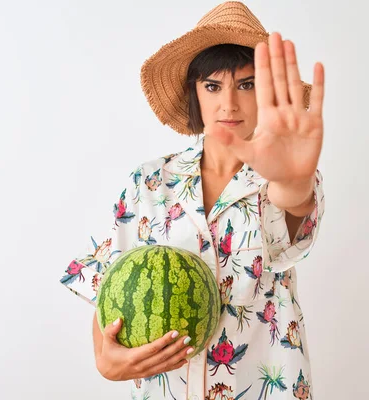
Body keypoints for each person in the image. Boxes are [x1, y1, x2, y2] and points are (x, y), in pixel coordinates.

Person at [59, 2, 326, 399]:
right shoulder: (149, 181)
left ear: (267, 91)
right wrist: (104, 357)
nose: (229, 103)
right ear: (195, 93)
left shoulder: (283, 178)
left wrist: (293, 180)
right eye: (213, 86)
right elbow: (110, 278)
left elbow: (294, 206)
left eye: (247, 84)